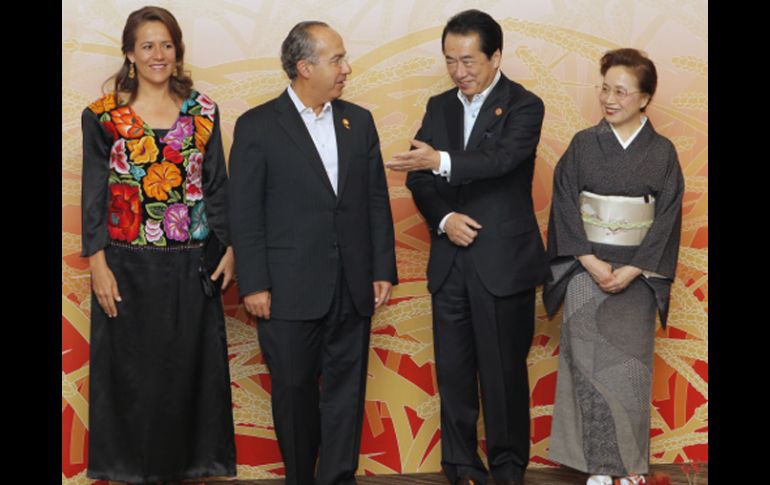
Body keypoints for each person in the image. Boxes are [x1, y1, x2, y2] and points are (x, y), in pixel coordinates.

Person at [228, 21, 398, 485]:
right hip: (286, 290)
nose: (346, 68)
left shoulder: (357, 120)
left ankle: (338, 478)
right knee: (294, 393)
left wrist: (382, 266)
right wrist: (256, 283)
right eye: (336, 59)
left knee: (345, 395)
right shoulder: (258, 126)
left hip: (352, 285)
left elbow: (375, 199)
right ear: (305, 67)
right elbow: (245, 213)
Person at [387, 9, 549, 485]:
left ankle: (507, 468)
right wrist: (444, 218)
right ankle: (459, 467)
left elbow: (501, 160)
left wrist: (438, 159)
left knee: (502, 378)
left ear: (496, 56)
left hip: (502, 262)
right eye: (450, 60)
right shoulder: (440, 107)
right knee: (454, 375)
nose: (459, 71)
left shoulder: (525, 105)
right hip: (450, 259)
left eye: (469, 60)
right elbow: (419, 177)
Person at [80, 6, 236, 484]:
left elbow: (217, 187)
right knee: (133, 381)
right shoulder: (103, 116)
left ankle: (185, 470)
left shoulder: (204, 112)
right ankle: (132, 474)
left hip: (192, 266)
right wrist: (98, 264)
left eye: (166, 44)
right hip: (127, 267)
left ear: (178, 51)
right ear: (130, 53)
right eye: (147, 45)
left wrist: (230, 248)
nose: (158, 54)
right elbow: (94, 194)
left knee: (187, 377)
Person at [542, 48, 685, 485]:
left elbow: (668, 217)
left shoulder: (661, 153)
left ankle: (627, 467)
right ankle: (596, 468)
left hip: (637, 278)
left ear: (644, 98)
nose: (609, 98)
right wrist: (587, 258)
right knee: (585, 369)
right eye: (605, 88)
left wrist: (634, 268)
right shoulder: (585, 144)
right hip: (586, 271)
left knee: (629, 371)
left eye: (621, 91)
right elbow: (565, 202)